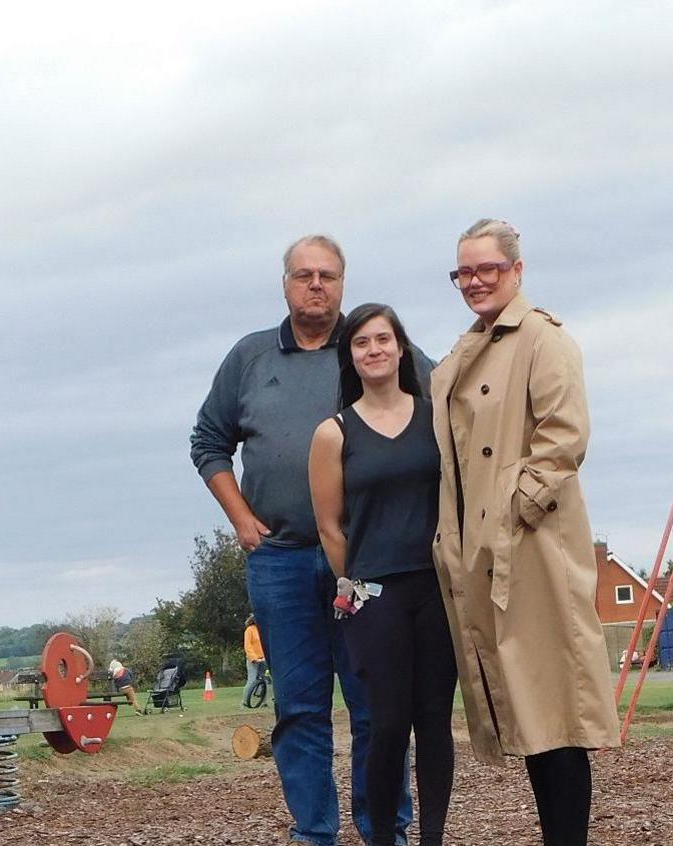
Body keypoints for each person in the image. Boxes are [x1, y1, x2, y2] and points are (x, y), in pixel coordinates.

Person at [190, 235, 418, 846]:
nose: (316, 285)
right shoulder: (251, 357)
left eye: (328, 275)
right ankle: (314, 833)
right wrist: (239, 516)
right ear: (285, 284)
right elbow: (208, 441)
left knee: (376, 706)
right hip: (282, 560)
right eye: (304, 275)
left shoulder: (372, 344)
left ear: (343, 283)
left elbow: (436, 414)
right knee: (300, 710)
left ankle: (384, 832)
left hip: (366, 560)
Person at [430, 219, 620, 846]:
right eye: (464, 272)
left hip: (532, 551)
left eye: (488, 268)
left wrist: (513, 512)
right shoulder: (464, 351)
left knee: (553, 711)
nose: (475, 281)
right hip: (481, 553)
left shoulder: (542, 337)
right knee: (529, 715)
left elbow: (564, 437)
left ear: (517, 270)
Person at [310, 303, 457, 846]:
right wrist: (356, 585)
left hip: (436, 589)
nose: (374, 350)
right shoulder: (333, 432)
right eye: (361, 343)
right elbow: (329, 525)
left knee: (435, 721)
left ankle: (433, 837)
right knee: (387, 724)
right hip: (376, 595)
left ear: (401, 347)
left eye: (383, 340)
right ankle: (380, 838)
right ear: (349, 355)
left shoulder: (435, 417)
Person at [242, 615, 267, 707]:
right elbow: (247, 646)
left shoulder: (262, 630)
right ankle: (245, 701)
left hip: (263, 658)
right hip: (253, 659)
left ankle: (263, 702)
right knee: (252, 679)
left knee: (263, 680)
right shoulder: (249, 630)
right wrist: (253, 658)